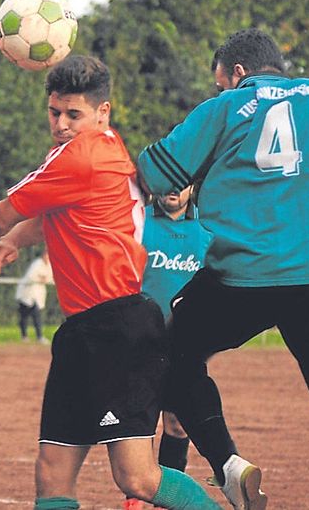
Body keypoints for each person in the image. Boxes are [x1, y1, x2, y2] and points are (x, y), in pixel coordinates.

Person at [0, 55, 221, 510]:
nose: (62, 124)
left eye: (74, 114)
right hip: (84, 329)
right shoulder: (101, 147)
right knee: (52, 472)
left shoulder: (81, 157)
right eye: (54, 113)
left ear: (102, 112)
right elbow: (56, 212)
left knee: (137, 478)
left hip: (118, 329)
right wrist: (15, 241)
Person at [137, 28, 309, 510]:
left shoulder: (224, 108)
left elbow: (156, 173)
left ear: (237, 74)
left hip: (244, 276)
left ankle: (228, 466)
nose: (219, 91)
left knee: (164, 354)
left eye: (219, 82)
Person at [124, 185, 212, 510]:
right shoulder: (139, 222)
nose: (174, 187)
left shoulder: (206, 230)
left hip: (185, 344)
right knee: (139, 424)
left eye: (183, 180)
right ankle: (135, 499)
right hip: (139, 340)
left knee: (176, 423)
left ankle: (167, 502)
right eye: (168, 178)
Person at [15, 249, 54, 344]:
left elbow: (50, 278)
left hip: (37, 294)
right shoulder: (37, 264)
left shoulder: (49, 265)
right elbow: (30, 276)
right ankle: (24, 336)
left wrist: (44, 279)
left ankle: (39, 336)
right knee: (24, 315)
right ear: (44, 255)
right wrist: (41, 278)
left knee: (36, 315)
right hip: (26, 293)